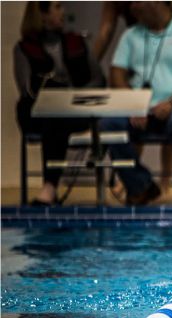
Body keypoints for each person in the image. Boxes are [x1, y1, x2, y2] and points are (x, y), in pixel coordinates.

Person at [99, 1, 172, 206]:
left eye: (138, 1)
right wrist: (133, 105)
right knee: (108, 124)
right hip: (142, 112)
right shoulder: (130, 36)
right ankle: (142, 187)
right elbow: (116, 73)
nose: (132, 6)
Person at [14, 1, 104, 206]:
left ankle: (49, 187)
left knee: (59, 118)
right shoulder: (24, 48)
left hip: (74, 111)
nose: (63, 12)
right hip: (38, 113)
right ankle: (50, 186)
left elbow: (98, 79)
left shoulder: (77, 42)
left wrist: (74, 96)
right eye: (57, 7)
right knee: (52, 118)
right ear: (42, 14)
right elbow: (26, 90)